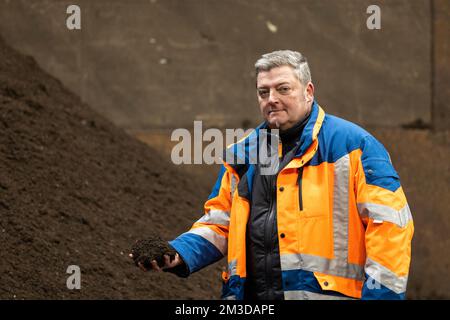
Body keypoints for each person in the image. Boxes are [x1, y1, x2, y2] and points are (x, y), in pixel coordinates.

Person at [130, 50, 414, 300]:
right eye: (263, 92)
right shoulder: (242, 156)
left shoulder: (354, 146)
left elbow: (391, 229)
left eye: (283, 89)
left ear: (309, 91)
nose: (272, 99)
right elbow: (220, 224)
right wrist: (177, 254)